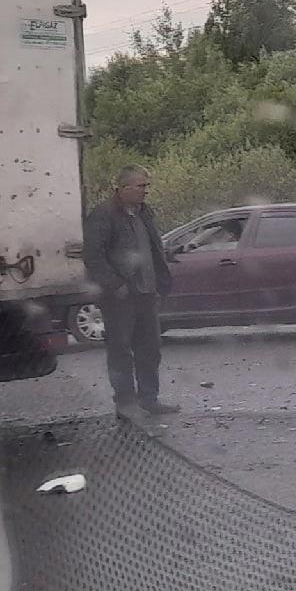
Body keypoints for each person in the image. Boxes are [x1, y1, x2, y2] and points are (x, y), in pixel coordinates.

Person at [82, 167, 177, 419]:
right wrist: (116, 285)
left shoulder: (145, 213)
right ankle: (125, 402)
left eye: (146, 185)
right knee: (121, 349)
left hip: (146, 293)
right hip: (120, 296)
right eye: (140, 186)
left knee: (151, 348)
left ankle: (149, 399)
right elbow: (93, 256)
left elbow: (154, 249)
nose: (146, 190)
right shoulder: (103, 215)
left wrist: (161, 280)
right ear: (122, 188)